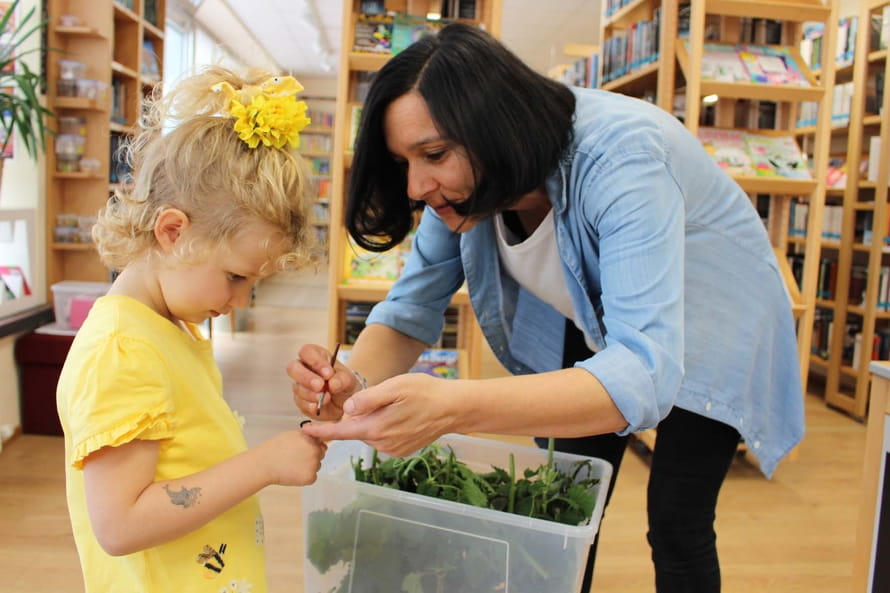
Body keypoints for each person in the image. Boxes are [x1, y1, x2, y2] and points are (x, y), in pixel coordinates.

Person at [288, 22, 804, 593]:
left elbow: (645, 373)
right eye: (403, 162)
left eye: (433, 154)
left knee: (678, 519)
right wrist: (352, 383)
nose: (415, 186)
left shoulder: (623, 156)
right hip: (595, 322)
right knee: (562, 504)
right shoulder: (455, 194)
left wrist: (451, 407)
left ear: (497, 129)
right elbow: (410, 308)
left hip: (714, 324)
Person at [56, 66, 327, 593]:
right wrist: (264, 465)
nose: (239, 301)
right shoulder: (122, 349)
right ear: (173, 231)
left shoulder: (163, 328)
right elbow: (119, 525)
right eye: (236, 278)